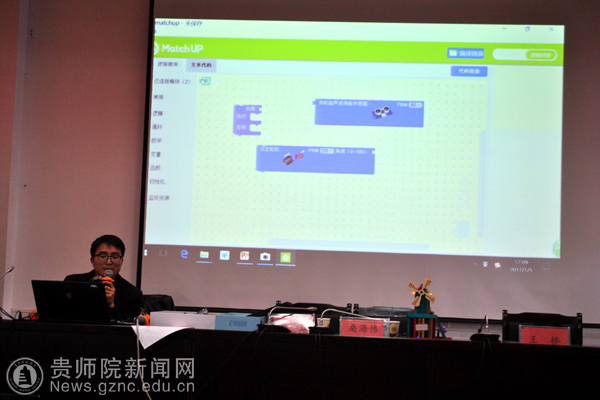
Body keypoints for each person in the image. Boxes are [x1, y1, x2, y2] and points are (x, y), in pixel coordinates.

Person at [64, 234, 144, 321]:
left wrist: (111, 306)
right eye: (102, 256)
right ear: (92, 261)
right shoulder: (73, 282)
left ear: (121, 261)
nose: (109, 262)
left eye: (115, 257)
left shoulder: (133, 294)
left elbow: (129, 327)